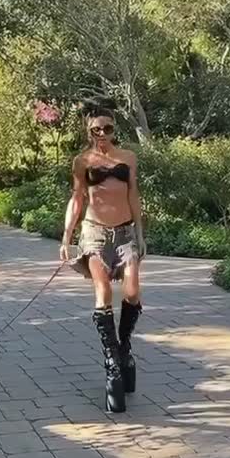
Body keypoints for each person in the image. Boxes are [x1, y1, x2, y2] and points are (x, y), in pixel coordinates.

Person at [60, 98, 145, 413]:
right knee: (103, 289)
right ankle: (111, 360)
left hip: (124, 233)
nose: (102, 134)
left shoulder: (129, 158)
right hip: (94, 232)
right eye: (96, 129)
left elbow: (133, 194)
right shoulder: (82, 161)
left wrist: (139, 233)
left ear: (114, 129)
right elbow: (77, 199)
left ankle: (124, 348)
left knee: (132, 291)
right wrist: (67, 236)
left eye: (107, 128)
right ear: (88, 131)